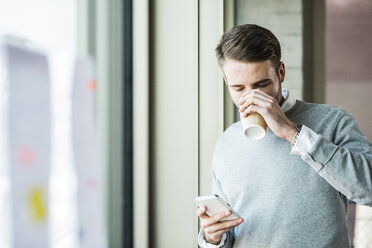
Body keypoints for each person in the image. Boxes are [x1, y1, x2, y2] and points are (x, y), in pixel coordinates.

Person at [196, 24, 372, 248]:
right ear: (226, 80)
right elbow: (230, 231)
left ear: (280, 72)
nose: (250, 97)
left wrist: (292, 132)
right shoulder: (228, 141)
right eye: (239, 88)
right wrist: (212, 238)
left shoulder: (332, 121)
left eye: (261, 85)